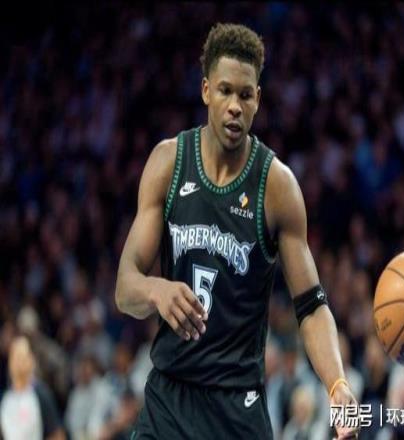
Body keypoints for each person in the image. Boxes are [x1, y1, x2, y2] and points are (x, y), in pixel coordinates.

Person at [115, 22, 358, 439]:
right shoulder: (168, 164)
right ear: (206, 91)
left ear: (257, 99)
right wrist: (156, 290)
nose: (234, 106)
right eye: (225, 91)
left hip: (237, 407)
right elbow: (125, 286)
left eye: (245, 95)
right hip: (168, 400)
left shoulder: (277, 186)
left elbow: (311, 305)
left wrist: (337, 384)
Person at [0, 336, 65, 440]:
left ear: (31, 360)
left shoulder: (40, 394)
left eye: (23, 357)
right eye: (15, 357)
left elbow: (58, 435)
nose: (19, 363)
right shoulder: (5, 399)